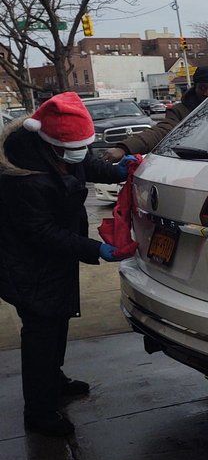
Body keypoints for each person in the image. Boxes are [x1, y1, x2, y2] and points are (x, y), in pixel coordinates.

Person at [0, 92, 136, 436]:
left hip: (52, 260)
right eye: (70, 149)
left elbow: (84, 162)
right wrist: (94, 249)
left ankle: (53, 379)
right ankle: (40, 412)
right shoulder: (23, 176)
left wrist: (116, 171)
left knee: (57, 318)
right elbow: (41, 233)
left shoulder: (56, 149)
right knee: (41, 330)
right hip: (26, 263)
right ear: (49, 144)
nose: (77, 153)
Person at [103, 64, 208, 161]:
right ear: (195, 88)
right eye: (202, 88)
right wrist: (124, 148)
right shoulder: (180, 111)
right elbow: (162, 131)